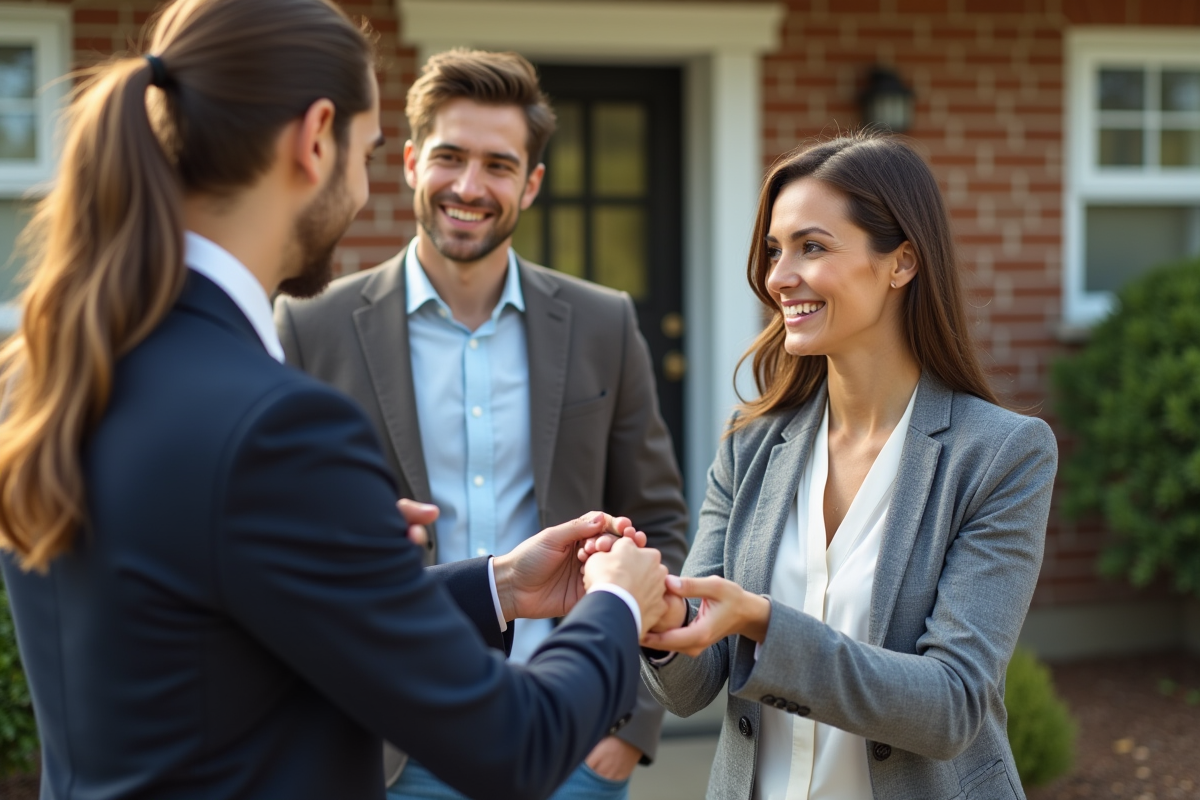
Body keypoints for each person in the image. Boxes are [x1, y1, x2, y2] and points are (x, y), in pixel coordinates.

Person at [0, 2, 672, 799]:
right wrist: (616, 604)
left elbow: (217, 633)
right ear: (315, 138)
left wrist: (492, 584)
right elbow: (513, 742)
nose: (361, 186)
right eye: (368, 151)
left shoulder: (58, 369)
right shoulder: (278, 424)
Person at [274, 48, 689, 799]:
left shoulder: (602, 321)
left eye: (498, 165)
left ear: (530, 184)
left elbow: (656, 519)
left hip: (573, 736)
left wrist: (630, 726)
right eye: (449, 157)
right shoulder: (310, 326)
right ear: (408, 162)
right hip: (385, 743)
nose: (469, 187)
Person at [635, 133, 1058, 800]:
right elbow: (693, 686)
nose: (777, 276)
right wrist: (659, 619)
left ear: (902, 262)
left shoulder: (1001, 455)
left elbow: (950, 707)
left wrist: (762, 622)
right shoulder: (749, 447)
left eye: (812, 246)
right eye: (775, 250)